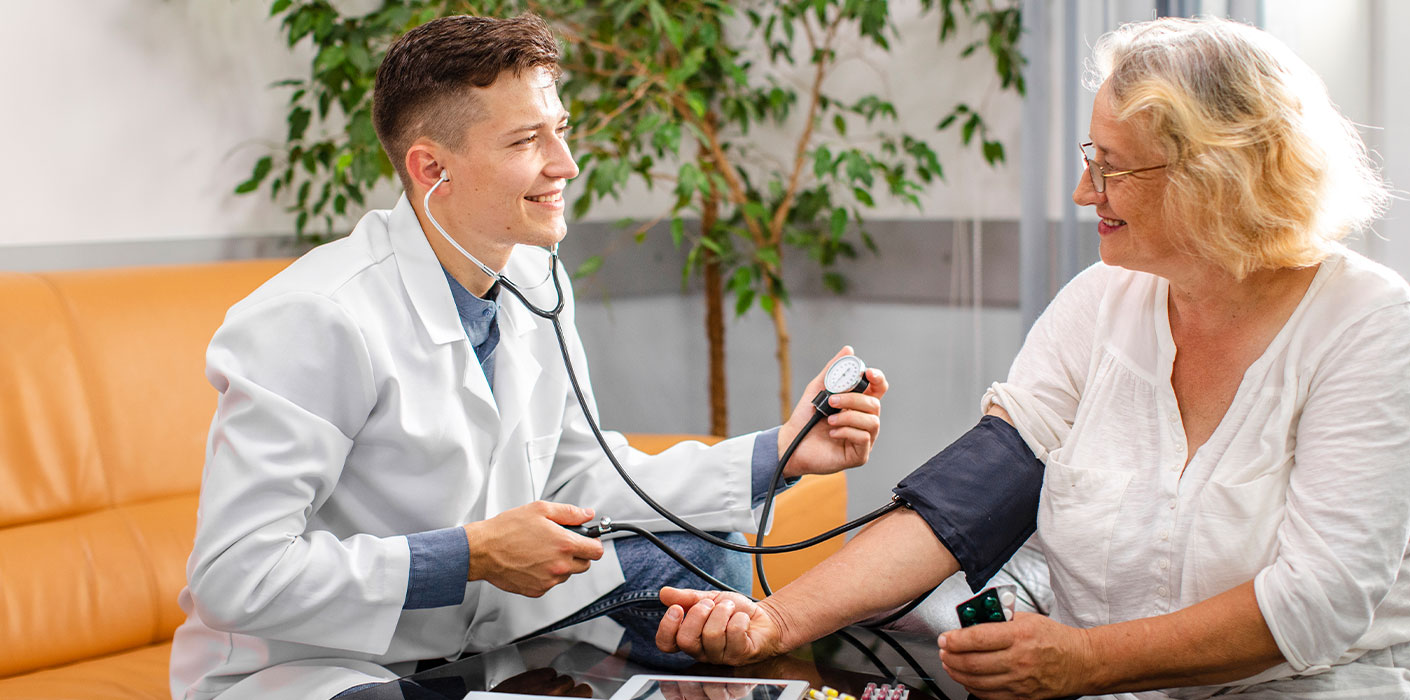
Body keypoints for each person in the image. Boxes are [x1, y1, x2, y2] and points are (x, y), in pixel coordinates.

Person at [656, 16, 1410, 699]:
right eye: (1091, 158)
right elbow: (969, 501)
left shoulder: (1368, 325)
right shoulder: (1101, 302)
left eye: (1113, 167)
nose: (1084, 191)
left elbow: (1318, 602)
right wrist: (775, 621)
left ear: (1218, 178)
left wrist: (1087, 661)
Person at [168, 13, 888, 700]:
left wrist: (783, 453)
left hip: (480, 632)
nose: (566, 165)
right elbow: (236, 576)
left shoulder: (532, 274)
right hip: (320, 661)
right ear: (431, 168)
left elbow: (585, 476)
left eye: (561, 131)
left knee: (712, 553)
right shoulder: (314, 317)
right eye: (525, 142)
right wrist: (472, 555)